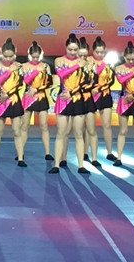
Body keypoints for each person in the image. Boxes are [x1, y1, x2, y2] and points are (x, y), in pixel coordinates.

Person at [49, 34, 89, 174]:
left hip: (77, 99)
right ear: (65, 48)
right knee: (61, 133)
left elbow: (85, 82)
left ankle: (81, 165)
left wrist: (72, 93)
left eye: (75, 50)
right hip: (63, 100)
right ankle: (56, 165)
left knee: (78, 134)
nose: (73, 52)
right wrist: (77, 65)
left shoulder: (84, 62)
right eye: (70, 49)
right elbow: (61, 74)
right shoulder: (59, 60)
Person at [0, 38, 26, 167]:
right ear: (1, 54)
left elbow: (20, 85)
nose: (8, 59)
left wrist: (8, 94)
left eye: (11, 56)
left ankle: (20, 159)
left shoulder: (19, 66)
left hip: (14, 100)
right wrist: (10, 70)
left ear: (15, 54)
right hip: (1, 102)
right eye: (6, 56)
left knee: (17, 131)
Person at [20, 41, 54, 161]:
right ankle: (20, 153)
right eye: (33, 57)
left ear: (41, 55)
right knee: (24, 126)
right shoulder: (23, 66)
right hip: (28, 97)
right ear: (29, 55)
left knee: (44, 126)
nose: (35, 59)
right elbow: (22, 81)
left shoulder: (45, 66)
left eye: (37, 57)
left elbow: (50, 83)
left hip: (41, 97)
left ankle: (47, 153)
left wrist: (37, 89)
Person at [91, 36, 117, 161]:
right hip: (91, 95)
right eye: (97, 52)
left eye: (102, 52)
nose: (100, 54)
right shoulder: (88, 61)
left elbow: (111, 80)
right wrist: (92, 89)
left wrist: (100, 89)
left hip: (105, 95)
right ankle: (86, 152)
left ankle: (110, 152)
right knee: (90, 127)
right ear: (93, 51)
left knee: (107, 125)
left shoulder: (109, 63)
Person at [79, 37, 102, 167]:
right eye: (80, 55)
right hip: (76, 100)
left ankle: (94, 158)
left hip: (88, 100)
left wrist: (93, 88)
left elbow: (96, 82)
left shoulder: (92, 65)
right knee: (78, 131)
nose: (83, 58)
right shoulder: (72, 66)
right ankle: (81, 154)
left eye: (85, 55)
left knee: (91, 130)